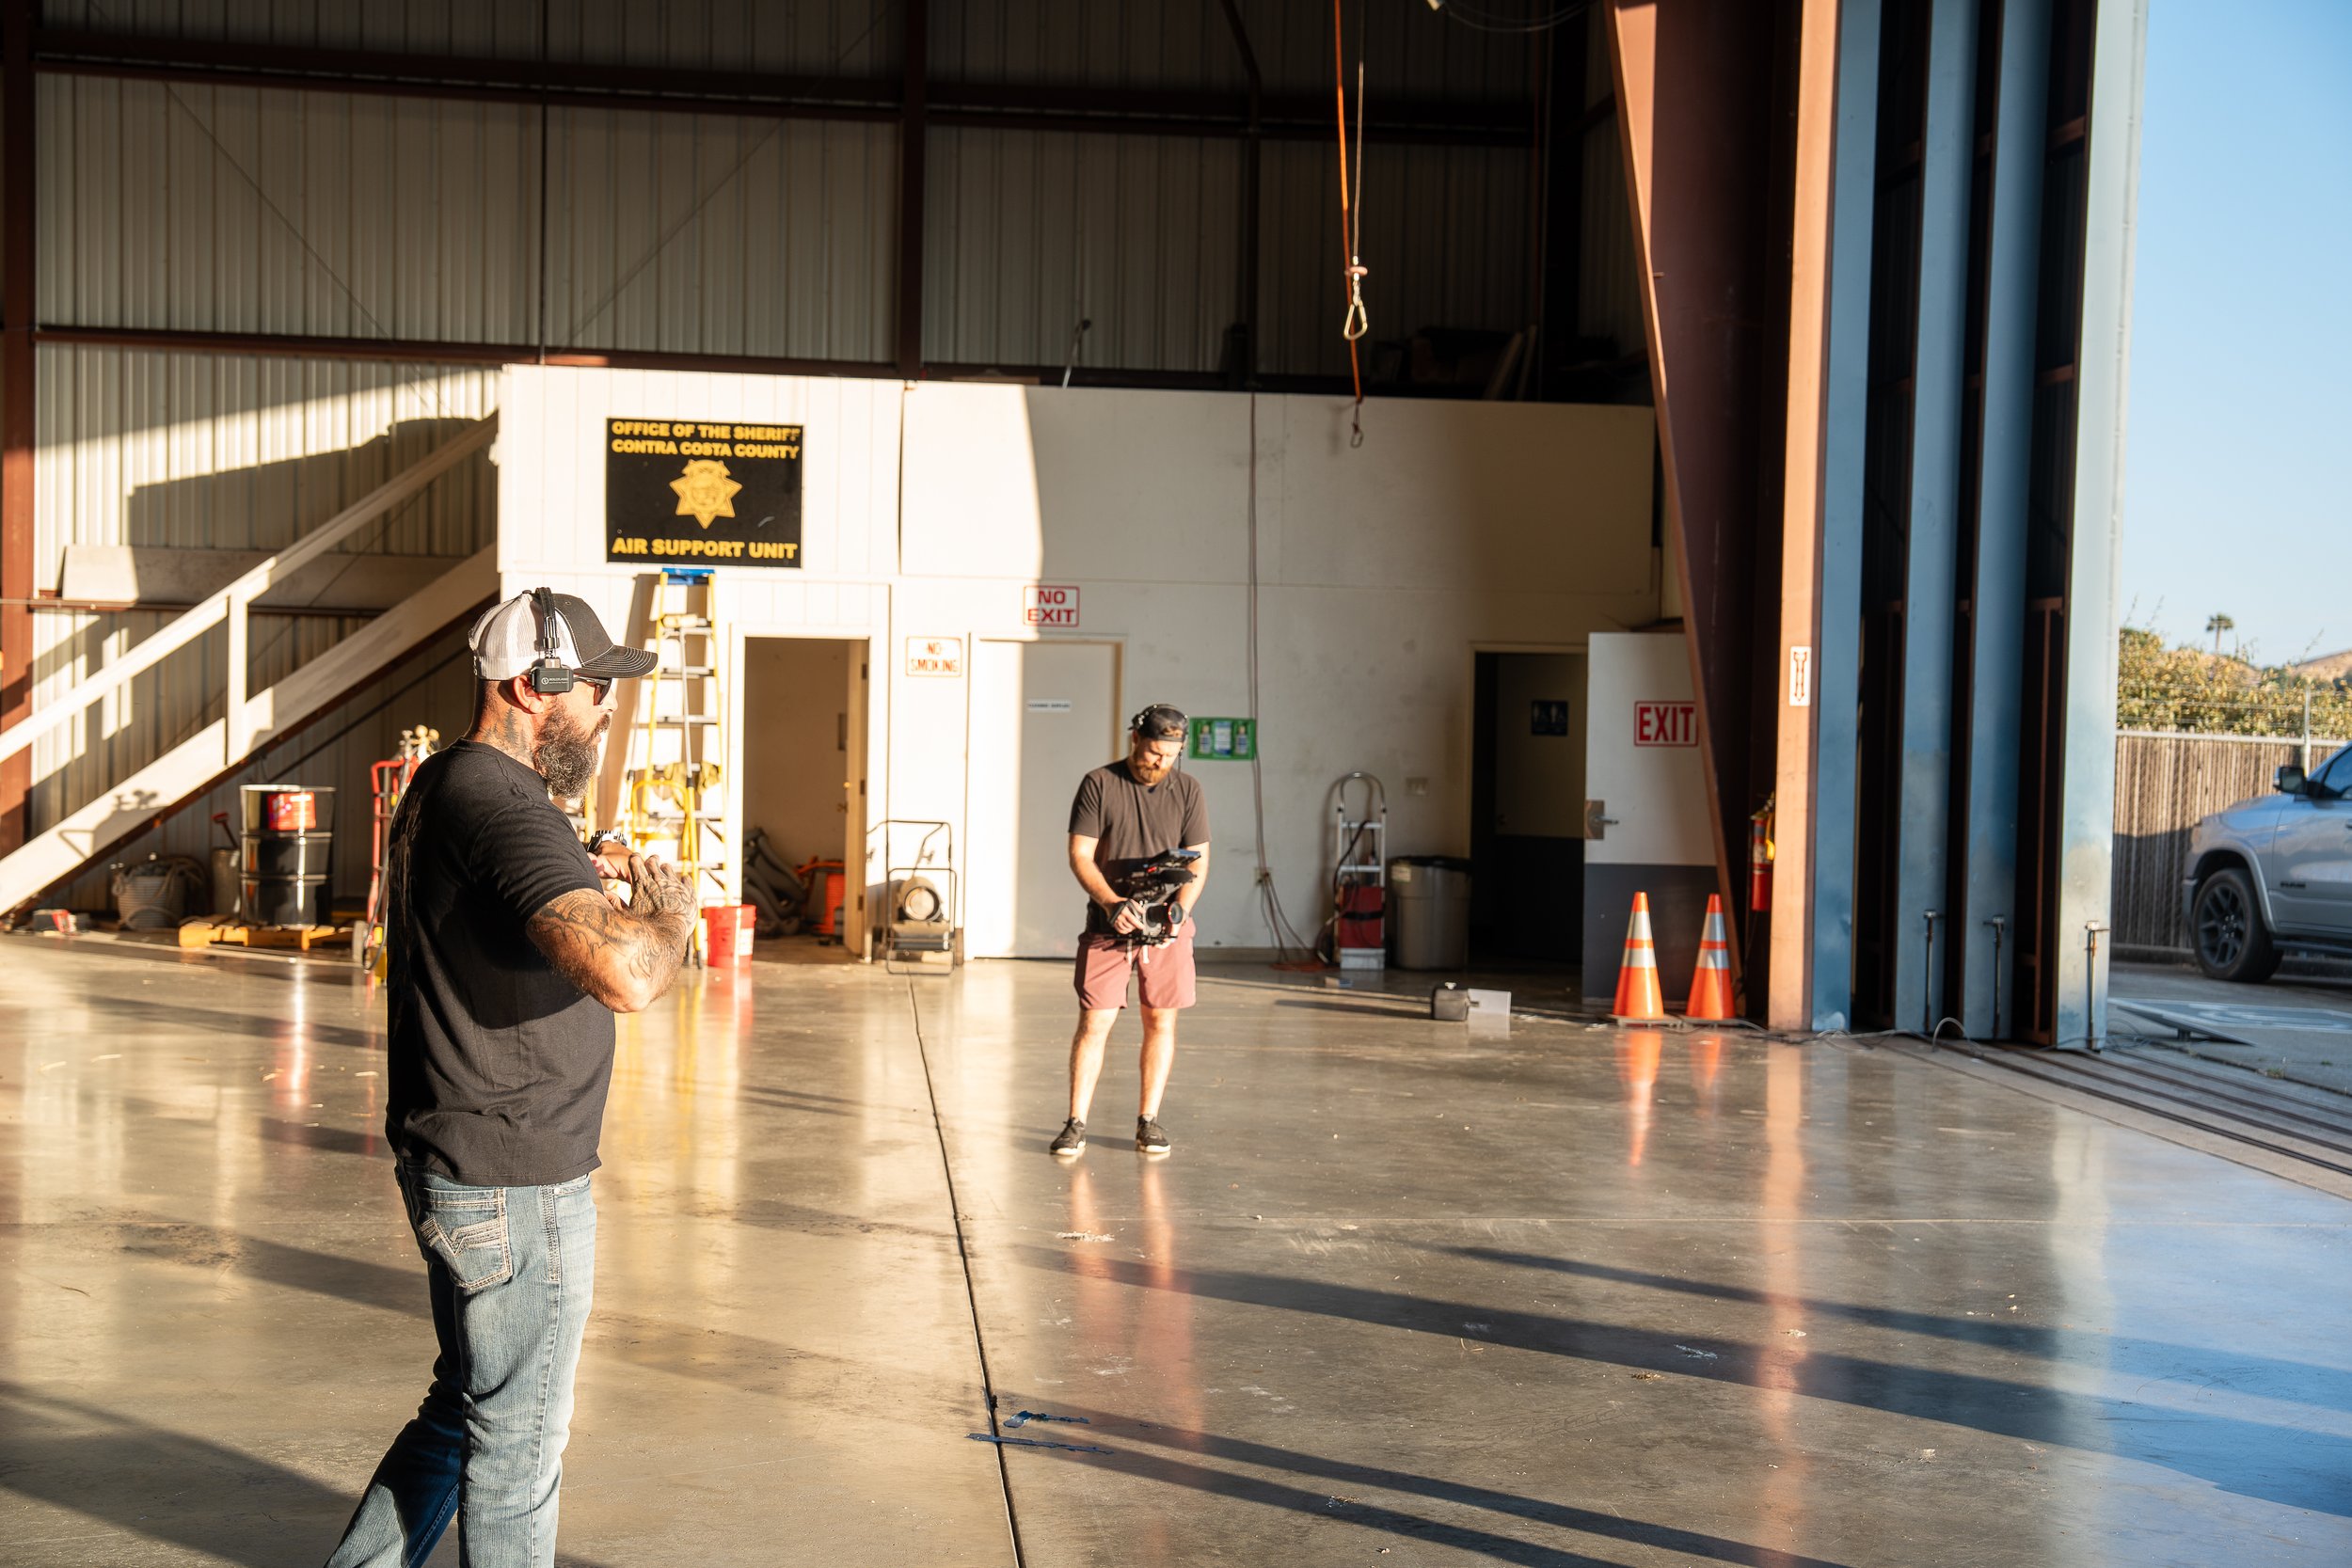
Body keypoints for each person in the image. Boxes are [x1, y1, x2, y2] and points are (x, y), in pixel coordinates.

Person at [324, 589, 694, 1568]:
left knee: (466, 1405)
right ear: (537, 687)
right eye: (596, 690)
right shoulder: (503, 805)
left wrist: (580, 856)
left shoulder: (450, 781)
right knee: (518, 1440)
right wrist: (671, 919)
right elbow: (625, 976)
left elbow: (513, 898)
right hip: (514, 1181)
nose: (608, 710)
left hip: (460, 1158)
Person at [1052, 703, 1210, 1157]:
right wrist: (1112, 902)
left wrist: (1180, 911)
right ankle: (1075, 1123)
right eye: (1155, 753)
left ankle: (1149, 1121)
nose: (1161, 763)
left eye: (1171, 756)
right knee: (1094, 1022)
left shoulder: (1189, 790)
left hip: (1167, 927)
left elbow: (1199, 860)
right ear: (1136, 739)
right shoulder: (1099, 784)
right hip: (1109, 923)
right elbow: (1081, 854)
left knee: (1161, 1019)